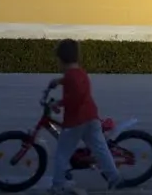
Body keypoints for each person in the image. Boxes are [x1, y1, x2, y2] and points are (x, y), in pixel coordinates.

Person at [47, 39, 121, 193]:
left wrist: (58, 104)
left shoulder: (71, 77)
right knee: (100, 149)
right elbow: (71, 82)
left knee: (62, 153)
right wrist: (58, 81)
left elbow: (75, 97)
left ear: (62, 59)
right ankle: (114, 177)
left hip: (76, 121)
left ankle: (58, 185)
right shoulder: (79, 72)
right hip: (91, 117)